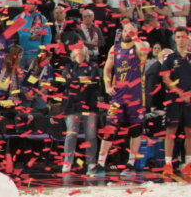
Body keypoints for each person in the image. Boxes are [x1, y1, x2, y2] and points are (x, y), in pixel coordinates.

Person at [96, 21, 148, 178]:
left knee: (136, 130)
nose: (127, 33)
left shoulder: (141, 45)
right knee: (110, 127)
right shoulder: (115, 48)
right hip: (118, 95)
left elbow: (143, 52)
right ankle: (100, 164)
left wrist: (135, 36)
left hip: (136, 95)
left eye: (130, 31)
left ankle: (131, 164)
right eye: (125, 31)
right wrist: (107, 86)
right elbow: (107, 69)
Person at [47, 40, 102, 174]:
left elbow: (95, 82)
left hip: (89, 105)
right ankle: (68, 162)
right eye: (77, 48)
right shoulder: (68, 66)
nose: (79, 50)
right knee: (71, 134)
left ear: (86, 51)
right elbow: (67, 82)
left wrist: (77, 81)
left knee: (91, 135)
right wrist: (84, 80)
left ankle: (91, 163)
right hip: (72, 105)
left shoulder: (93, 65)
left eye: (81, 48)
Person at [159, 26, 191, 180]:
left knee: (189, 131)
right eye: (178, 37)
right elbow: (166, 78)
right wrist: (180, 93)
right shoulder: (170, 58)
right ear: (175, 39)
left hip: (189, 100)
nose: (181, 40)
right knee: (171, 131)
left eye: (183, 37)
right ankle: (168, 164)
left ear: (188, 38)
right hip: (173, 99)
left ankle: (188, 163)